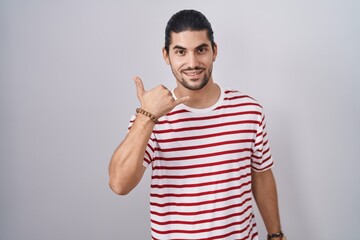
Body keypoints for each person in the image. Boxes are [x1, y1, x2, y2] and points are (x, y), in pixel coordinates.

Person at [109, 9, 286, 240]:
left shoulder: (249, 111)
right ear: (166, 55)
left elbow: (261, 175)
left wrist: (276, 235)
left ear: (214, 51)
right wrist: (147, 117)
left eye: (200, 50)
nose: (192, 63)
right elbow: (119, 185)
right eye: (181, 52)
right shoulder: (151, 116)